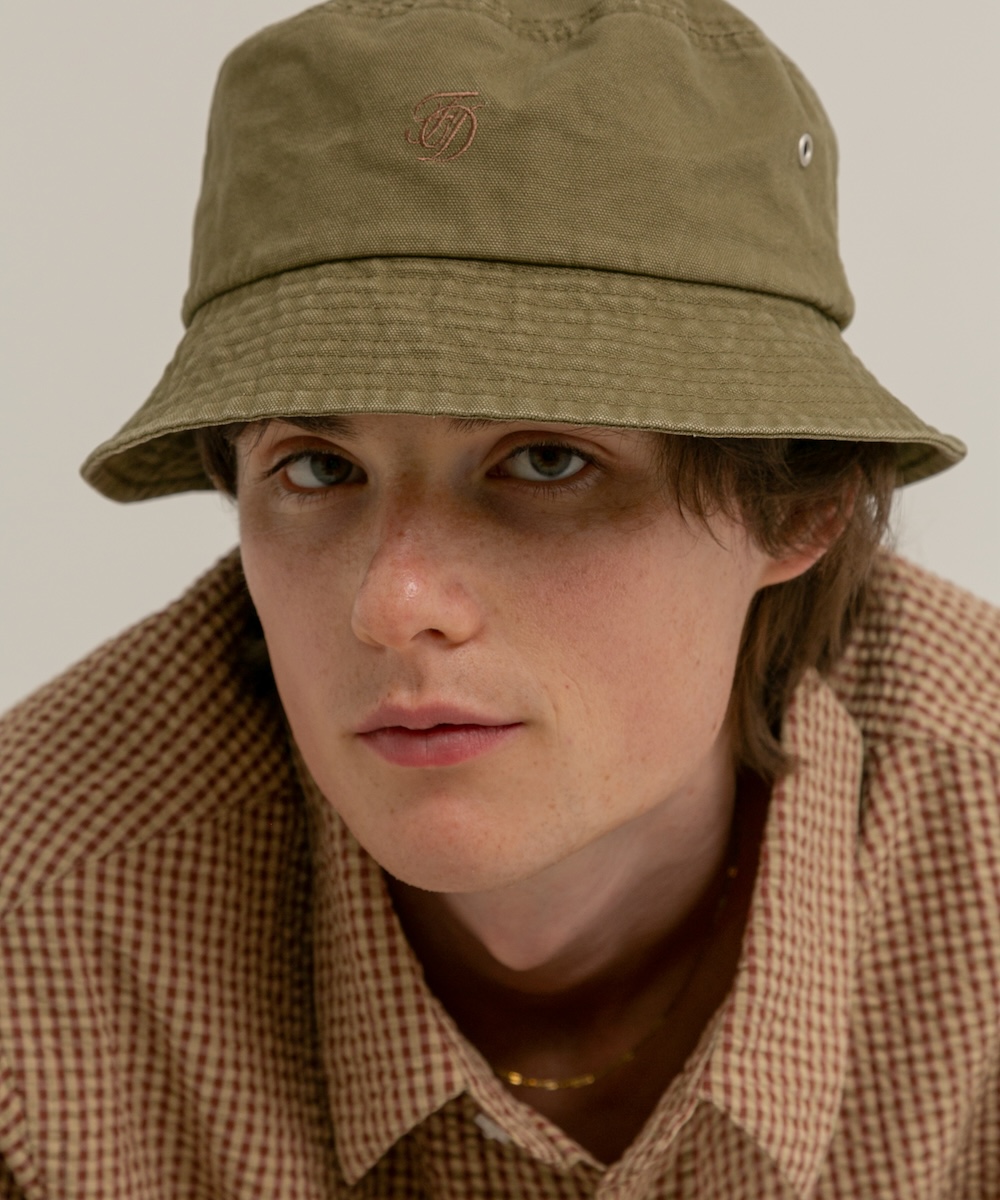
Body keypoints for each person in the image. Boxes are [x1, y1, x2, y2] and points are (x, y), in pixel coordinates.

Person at [0, 1, 996, 1196]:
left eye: (546, 460)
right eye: (316, 469)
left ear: (795, 505)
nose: (393, 602)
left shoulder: (976, 849)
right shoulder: (36, 931)